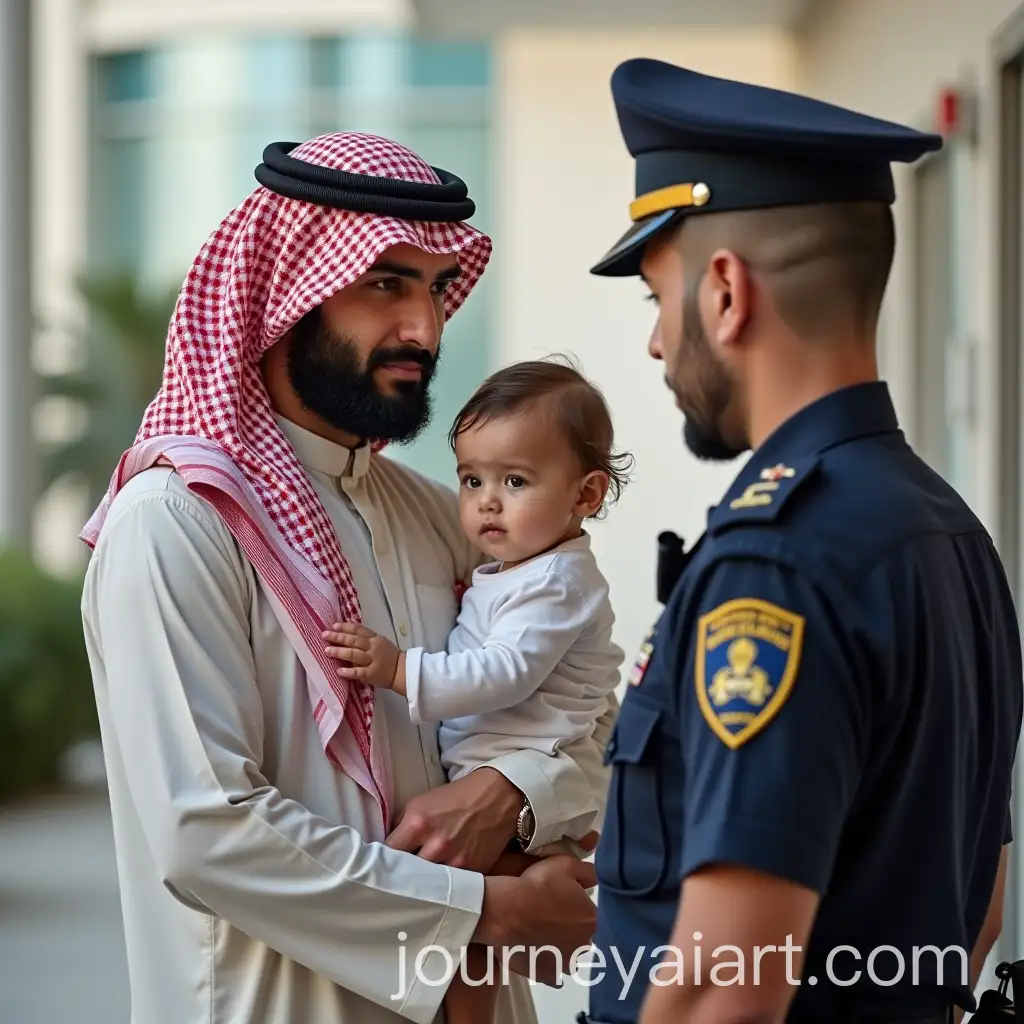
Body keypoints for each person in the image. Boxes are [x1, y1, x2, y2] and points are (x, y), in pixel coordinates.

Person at [79, 132, 614, 1024]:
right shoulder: (175, 522)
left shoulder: (432, 512)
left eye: (436, 289)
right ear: (287, 293)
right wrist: (490, 910)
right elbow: (207, 831)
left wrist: (518, 792)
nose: (425, 328)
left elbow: (582, 695)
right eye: (385, 284)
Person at [578, 59, 1024, 1024]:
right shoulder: (948, 534)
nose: (656, 343)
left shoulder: (779, 563)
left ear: (725, 293)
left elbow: (719, 988)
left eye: (658, 297)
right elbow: (976, 908)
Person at [322, 358, 632, 1022]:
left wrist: (399, 669)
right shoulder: (517, 564)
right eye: (472, 479)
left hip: (527, 775)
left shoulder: (558, 582)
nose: (486, 500)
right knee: (475, 929)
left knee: (471, 927)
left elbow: (504, 673)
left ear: (586, 495)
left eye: (515, 481)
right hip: (506, 775)